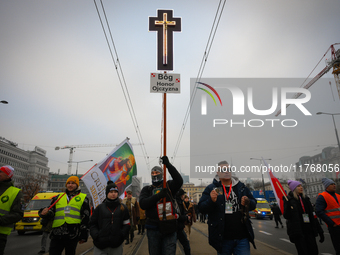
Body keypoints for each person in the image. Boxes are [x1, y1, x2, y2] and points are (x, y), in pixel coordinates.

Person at [198, 160, 257, 255]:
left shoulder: (241, 187)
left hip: (242, 238)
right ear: (217, 172)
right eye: (223, 169)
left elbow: (254, 203)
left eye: (229, 169)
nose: (227, 171)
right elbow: (201, 208)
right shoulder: (212, 188)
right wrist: (211, 201)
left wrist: (248, 202)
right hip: (222, 239)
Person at [139, 155, 183, 255]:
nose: (155, 175)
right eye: (153, 173)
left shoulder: (169, 186)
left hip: (169, 227)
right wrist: (158, 196)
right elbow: (143, 203)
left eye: (157, 172)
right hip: (153, 228)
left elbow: (179, 180)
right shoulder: (147, 189)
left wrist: (168, 165)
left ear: (162, 174)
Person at [39, 176, 90, 255]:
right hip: (57, 233)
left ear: (77, 185)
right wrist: (44, 212)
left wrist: (83, 234)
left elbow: (85, 217)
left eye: (73, 183)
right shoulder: (58, 197)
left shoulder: (83, 198)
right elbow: (51, 212)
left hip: (72, 233)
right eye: (68, 183)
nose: (70, 185)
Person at [89, 181, 130, 255]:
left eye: (115, 192)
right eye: (111, 192)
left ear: (118, 193)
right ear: (107, 193)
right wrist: (96, 236)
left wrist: (121, 235)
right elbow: (92, 224)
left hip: (116, 244)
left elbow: (127, 224)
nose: (113, 194)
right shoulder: (100, 208)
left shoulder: (123, 208)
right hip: (100, 245)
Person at [283, 180, 324, 255]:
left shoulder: (306, 199)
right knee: (303, 252)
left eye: (301, 186)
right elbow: (286, 216)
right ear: (294, 188)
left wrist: (320, 230)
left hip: (309, 230)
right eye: (298, 186)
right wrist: (288, 205)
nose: (301, 187)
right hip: (298, 232)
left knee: (314, 251)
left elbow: (313, 215)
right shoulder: (289, 200)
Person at [0, 165, 23, 255]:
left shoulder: (16, 192)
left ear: (8, 175)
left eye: (1, 172)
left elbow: (18, 214)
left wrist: (1, 220)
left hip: (1, 233)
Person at [315, 178, 340, 255]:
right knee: (339, 248)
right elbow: (319, 212)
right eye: (331, 184)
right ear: (326, 186)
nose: (334, 185)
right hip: (334, 227)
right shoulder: (322, 196)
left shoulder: (338, 196)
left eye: (334, 184)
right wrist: (331, 223)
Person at [175, 189, 191, 255]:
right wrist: (186, 217)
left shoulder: (179, 202)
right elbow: (178, 216)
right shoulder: (178, 202)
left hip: (178, 227)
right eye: (183, 195)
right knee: (186, 244)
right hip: (177, 227)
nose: (184, 196)